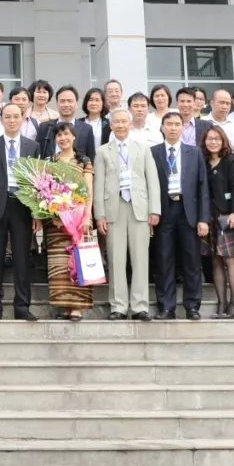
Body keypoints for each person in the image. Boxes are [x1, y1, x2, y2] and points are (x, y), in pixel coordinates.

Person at [96, 107, 160, 321]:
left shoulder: (143, 148)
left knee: (140, 259)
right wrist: (99, 214)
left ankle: (140, 306)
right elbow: (98, 184)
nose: (121, 125)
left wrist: (154, 210)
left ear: (130, 124)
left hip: (139, 208)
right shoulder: (102, 151)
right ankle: (118, 306)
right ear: (111, 125)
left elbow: (152, 180)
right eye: (117, 122)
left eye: (125, 121)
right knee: (116, 259)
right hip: (113, 209)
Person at [0, 103, 38, 321]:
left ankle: (22, 307)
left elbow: (38, 181)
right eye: (8, 117)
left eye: (16, 116)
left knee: (22, 259)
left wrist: (37, 213)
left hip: (22, 207)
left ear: (23, 119)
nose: (12, 120)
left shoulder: (32, 146)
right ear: (1, 119)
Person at [151, 111, 209, 320]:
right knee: (164, 259)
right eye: (169, 124)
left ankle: (192, 306)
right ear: (162, 127)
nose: (173, 128)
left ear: (183, 128)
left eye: (177, 124)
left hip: (188, 211)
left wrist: (203, 218)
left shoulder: (194, 152)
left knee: (191, 260)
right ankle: (167, 307)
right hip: (164, 211)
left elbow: (203, 186)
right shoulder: (153, 152)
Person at [45, 122, 94, 320]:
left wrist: (87, 216)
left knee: (78, 262)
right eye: (59, 135)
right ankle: (64, 306)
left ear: (74, 136)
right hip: (56, 223)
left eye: (66, 134)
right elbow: (44, 191)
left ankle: (77, 307)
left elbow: (88, 192)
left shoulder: (83, 161)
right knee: (59, 265)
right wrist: (54, 215)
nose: (63, 138)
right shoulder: (50, 161)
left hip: (79, 222)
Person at [201, 124, 234, 319]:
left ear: (223, 141)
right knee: (215, 259)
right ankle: (221, 303)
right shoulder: (202, 160)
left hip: (228, 216)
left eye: (217, 138)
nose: (213, 142)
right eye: (209, 138)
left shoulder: (229, 160)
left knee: (229, 258)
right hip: (209, 217)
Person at [36, 85, 95, 159]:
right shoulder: (44, 127)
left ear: (76, 104)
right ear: (57, 104)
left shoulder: (87, 129)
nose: (66, 105)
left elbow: (90, 157)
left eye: (70, 101)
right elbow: (37, 156)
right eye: (62, 101)